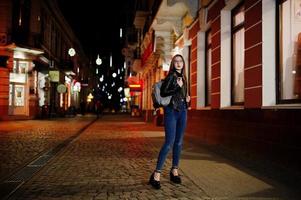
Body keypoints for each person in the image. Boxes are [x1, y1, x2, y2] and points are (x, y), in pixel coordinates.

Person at [149, 54, 190, 189]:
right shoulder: (171, 76)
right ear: (173, 64)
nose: (178, 63)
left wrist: (187, 100)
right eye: (176, 61)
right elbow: (164, 93)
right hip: (171, 112)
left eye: (180, 61)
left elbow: (183, 95)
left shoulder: (184, 77)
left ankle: (174, 170)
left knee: (179, 142)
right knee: (169, 142)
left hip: (183, 111)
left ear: (183, 64)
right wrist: (177, 87)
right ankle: (156, 174)